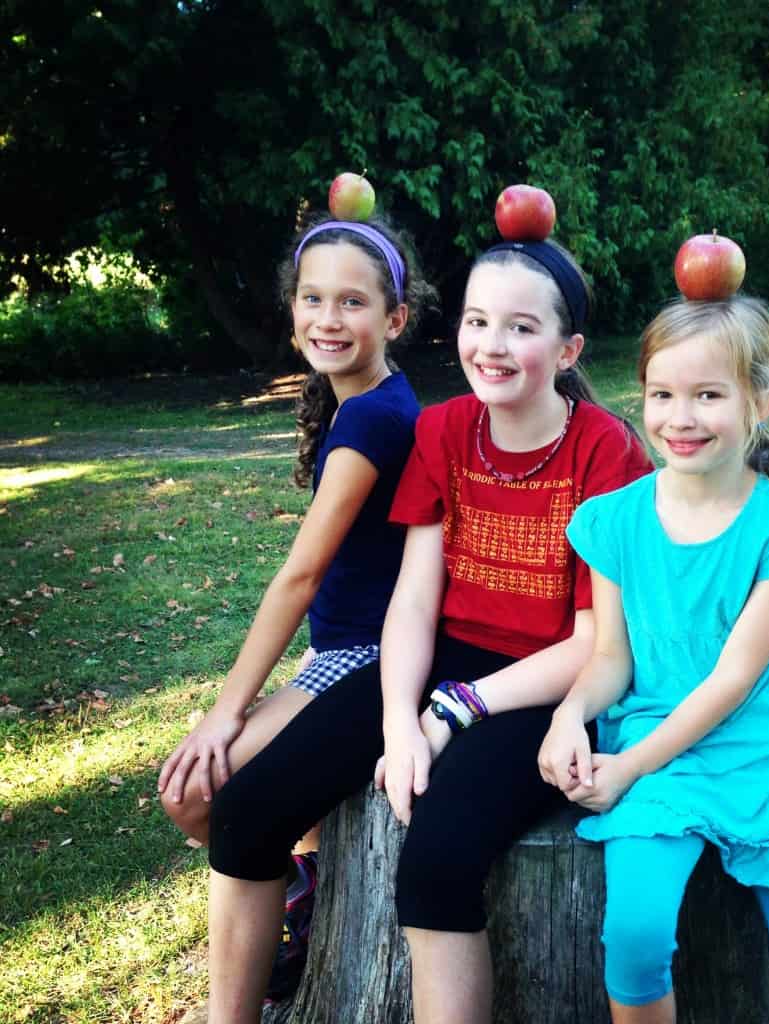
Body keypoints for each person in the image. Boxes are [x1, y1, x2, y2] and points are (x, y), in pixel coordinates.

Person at [200, 231, 652, 1024]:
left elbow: (592, 643)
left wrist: (453, 711)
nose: (493, 345)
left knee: (435, 865)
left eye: (522, 326)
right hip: (437, 657)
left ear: (569, 346)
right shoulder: (442, 431)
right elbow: (412, 600)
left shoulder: (604, 452)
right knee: (244, 812)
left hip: (542, 681)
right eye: (478, 322)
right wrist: (396, 721)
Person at [539, 295, 769, 1024]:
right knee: (634, 938)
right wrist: (570, 716)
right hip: (665, 764)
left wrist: (624, 767)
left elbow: (733, 679)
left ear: (762, 402)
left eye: (708, 395)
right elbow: (610, 661)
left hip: (764, 758)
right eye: (662, 395)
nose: (679, 419)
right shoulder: (613, 521)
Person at [156, 211, 430, 1016]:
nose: (328, 319)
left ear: (395, 319)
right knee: (201, 796)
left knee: (200, 795)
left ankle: (293, 908)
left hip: (373, 659)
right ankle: (308, 882)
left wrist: (224, 713)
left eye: (352, 303)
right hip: (342, 654)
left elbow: (300, 576)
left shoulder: (374, 419)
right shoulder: (368, 401)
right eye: (313, 299)